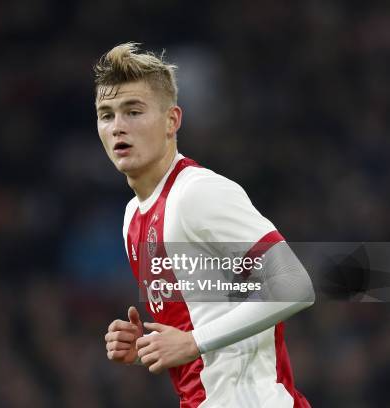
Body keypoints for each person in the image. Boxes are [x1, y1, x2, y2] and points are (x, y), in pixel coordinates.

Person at [96, 43, 315, 407]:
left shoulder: (198, 194)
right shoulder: (133, 218)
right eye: (107, 115)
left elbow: (294, 284)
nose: (118, 126)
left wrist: (192, 341)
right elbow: (204, 320)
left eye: (133, 111)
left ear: (172, 121)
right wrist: (143, 348)